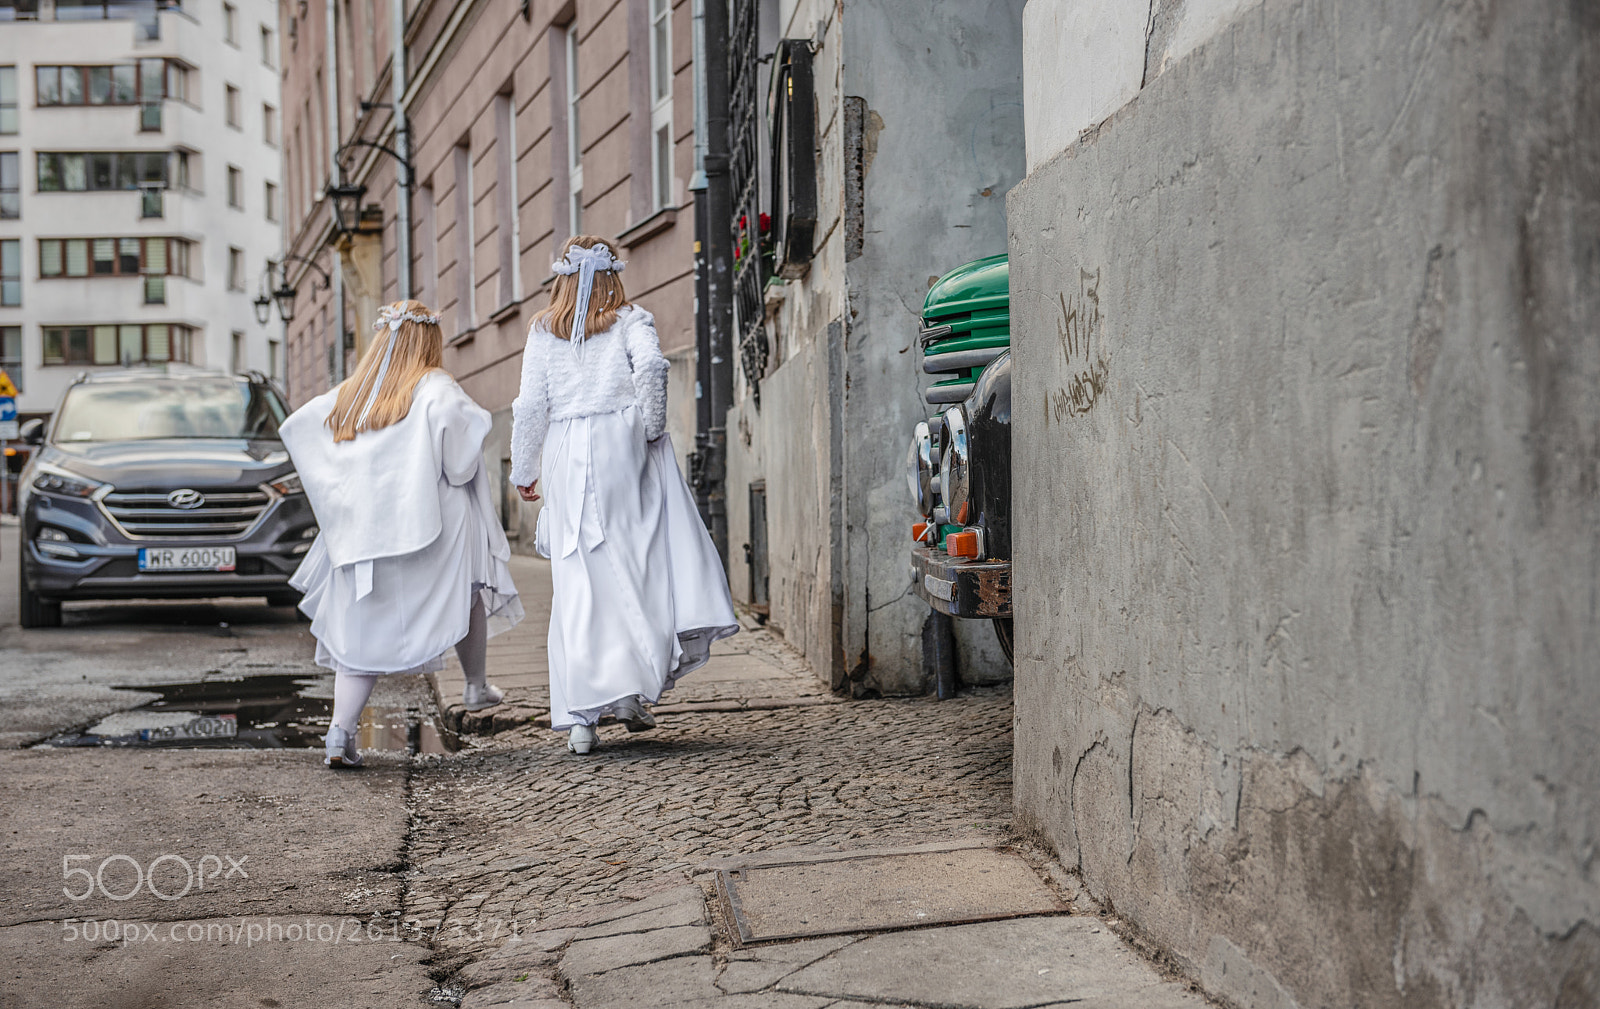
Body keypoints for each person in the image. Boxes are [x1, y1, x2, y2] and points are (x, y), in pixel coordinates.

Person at [510, 236, 737, 755]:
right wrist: (651, 430)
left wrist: (524, 467)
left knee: (579, 575)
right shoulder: (630, 318)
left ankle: (583, 718)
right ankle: (632, 691)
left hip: (565, 448)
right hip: (620, 443)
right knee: (636, 566)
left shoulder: (545, 329)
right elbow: (653, 370)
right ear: (613, 274)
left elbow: (530, 404)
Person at [281, 300, 523, 768]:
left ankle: (339, 732)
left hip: (366, 530)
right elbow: (458, 466)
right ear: (429, 341)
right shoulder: (437, 388)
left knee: (359, 626)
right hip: (430, 527)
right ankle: (475, 685)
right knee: (467, 589)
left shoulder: (352, 394)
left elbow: (300, 431)